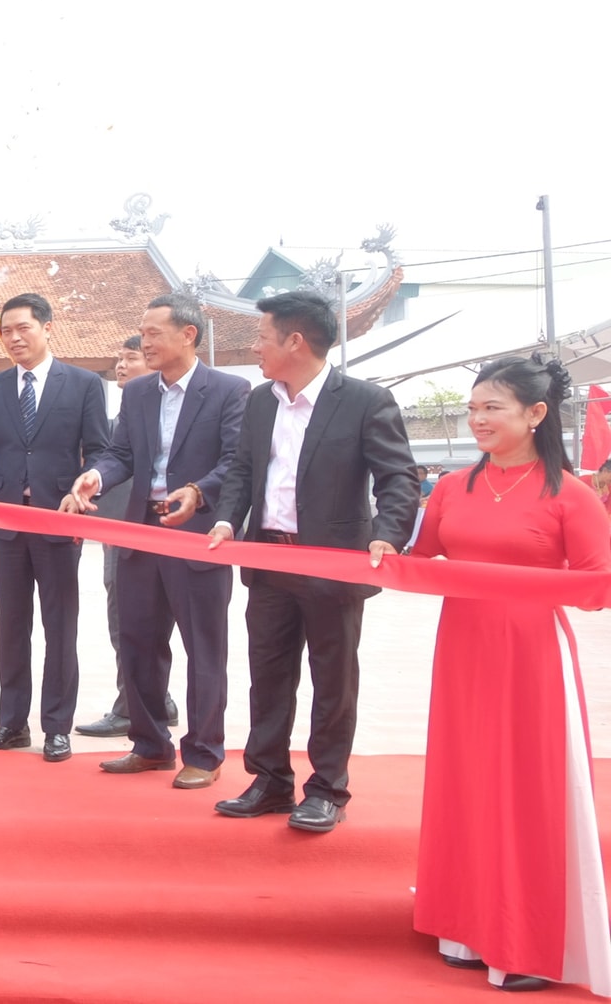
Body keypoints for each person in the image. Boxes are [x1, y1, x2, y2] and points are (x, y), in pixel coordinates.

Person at [410, 357, 611, 994]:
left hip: (530, 654)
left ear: (535, 414)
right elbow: (422, 560)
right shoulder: (450, 486)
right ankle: (465, 927)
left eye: (491, 408)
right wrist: (382, 551)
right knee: (466, 778)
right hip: (463, 650)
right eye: (472, 409)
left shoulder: (569, 493)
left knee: (524, 786)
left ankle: (528, 937)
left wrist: (526, 586)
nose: (478, 420)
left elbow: (599, 583)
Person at [207, 290, 419, 833]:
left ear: (294, 341)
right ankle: (270, 779)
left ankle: (326, 789)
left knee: (333, 680)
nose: (254, 347)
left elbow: (399, 477)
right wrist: (229, 519)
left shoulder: (366, 400)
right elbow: (242, 470)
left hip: (334, 564)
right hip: (269, 559)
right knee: (269, 676)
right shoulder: (261, 401)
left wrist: (390, 535)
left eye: (261, 337)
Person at [65, 295, 247, 790]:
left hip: (197, 536)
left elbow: (236, 460)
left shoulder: (231, 390)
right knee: (138, 643)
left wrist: (199, 491)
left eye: (153, 333)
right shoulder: (140, 392)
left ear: (188, 335)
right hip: (140, 532)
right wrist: (95, 478)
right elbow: (121, 453)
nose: (143, 342)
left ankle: (204, 753)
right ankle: (150, 745)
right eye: (141, 332)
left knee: (203, 649)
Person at [0, 292, 108, 762]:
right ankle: (12, 723)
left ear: (47, 327)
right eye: (6, 330)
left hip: (58, 522)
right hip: (7, 525)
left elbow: (100, 449)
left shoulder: (83, 384)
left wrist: (89, 483)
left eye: (23, 328)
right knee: (12, 626)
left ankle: (57, 727)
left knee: (60, 627)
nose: (14, 338)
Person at [75, 334, 179, 739]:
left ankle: (136, 704)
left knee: (140, 621)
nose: (120, 366)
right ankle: (147, 699)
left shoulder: (163, 413)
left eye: (131, 357)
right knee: (125, 621)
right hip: (117, 528)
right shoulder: (122, 415)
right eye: (118, 359)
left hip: (156, 528)